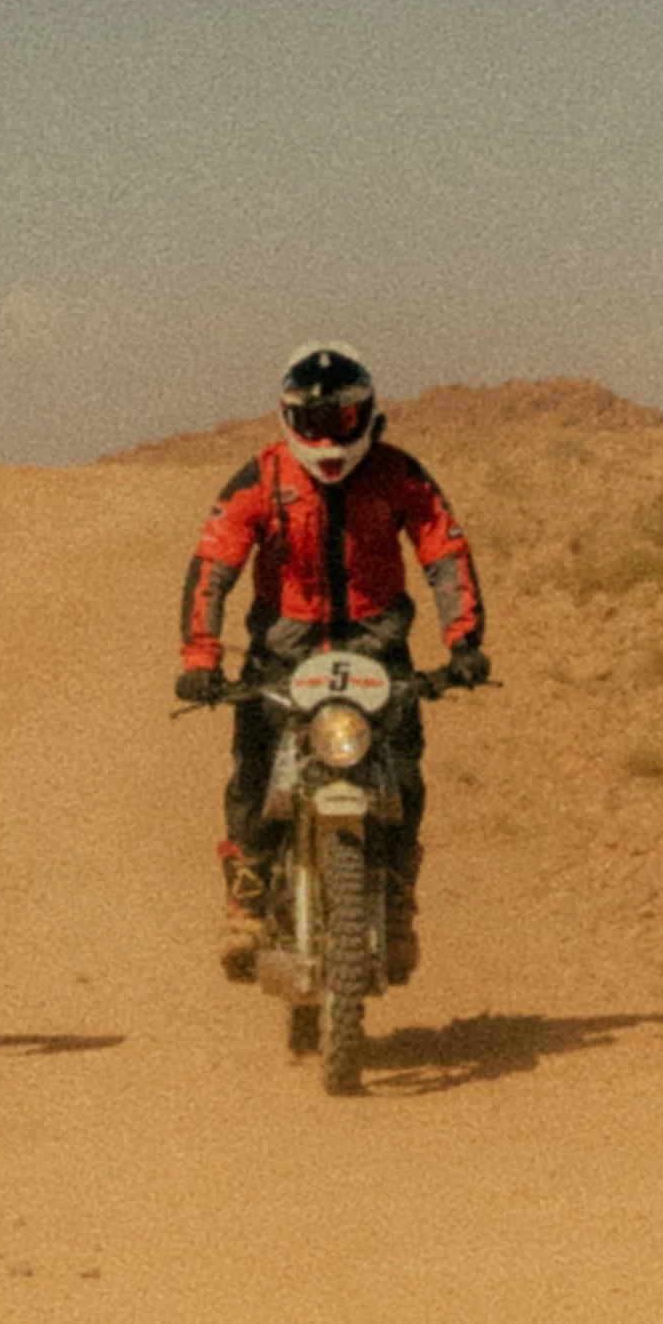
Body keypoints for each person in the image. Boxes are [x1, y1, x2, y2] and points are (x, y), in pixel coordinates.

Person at [175, 341, 487, 985]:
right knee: (255, 772)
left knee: (401, 772)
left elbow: (444, 550)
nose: (327, 435)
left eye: (341, 420)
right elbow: (214, 565)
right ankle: (249, 896)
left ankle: (397, 895)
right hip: (282, 654)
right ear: (291, 420)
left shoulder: (400, 475)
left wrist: (464, 644)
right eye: (314, 421)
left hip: (378, 649)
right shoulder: (261, 479)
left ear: (367, 417)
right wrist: (201, 658)